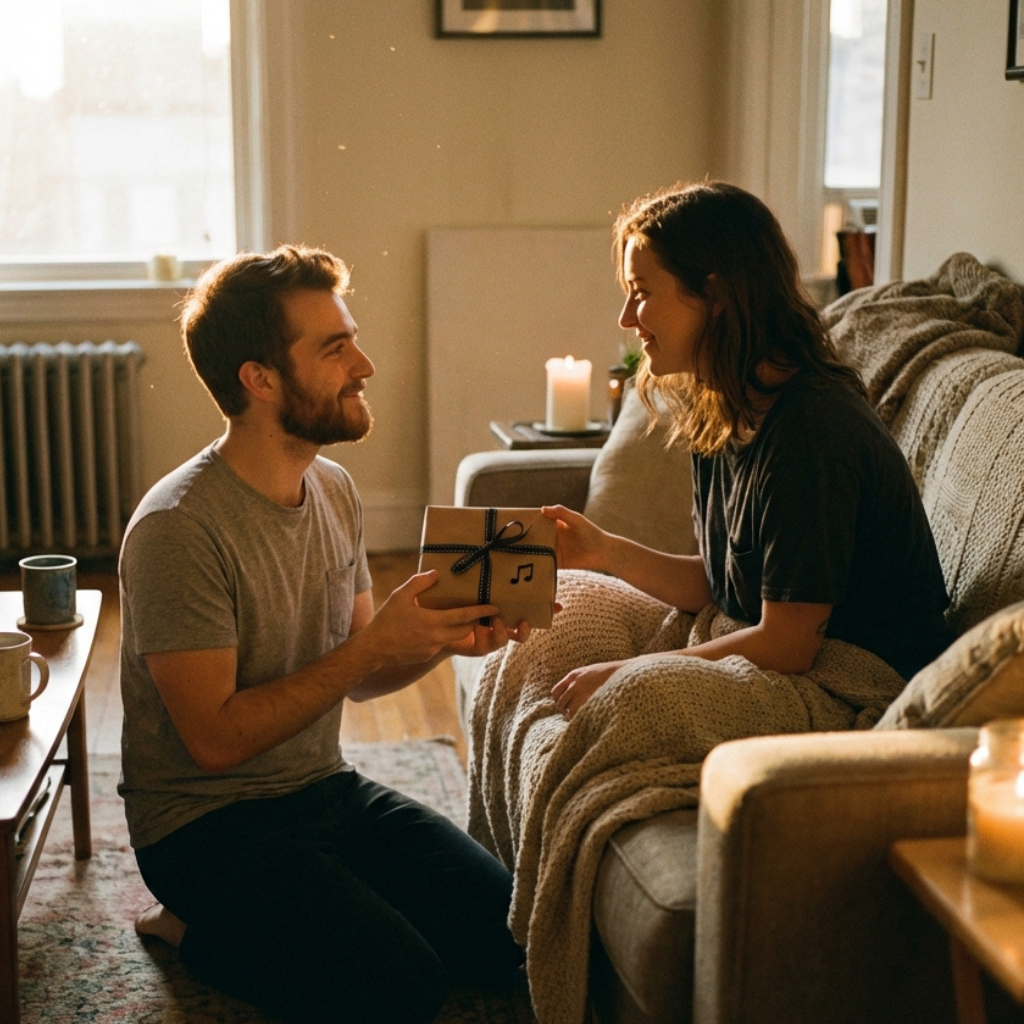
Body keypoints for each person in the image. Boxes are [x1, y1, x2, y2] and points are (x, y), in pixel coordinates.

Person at [118, 245, 528, 1024]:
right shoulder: (178, 528)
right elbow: (214, 741)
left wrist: (438, 638)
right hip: (206, 827)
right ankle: (190, 929)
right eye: (335, 348)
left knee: (509, 935)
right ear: (260, 378)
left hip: (321, 791)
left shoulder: (332, 489)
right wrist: (371, 649)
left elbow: (361, 671)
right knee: (400, 987)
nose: (364, 364)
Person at [542, 181, 951, 718]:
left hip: (850, 677)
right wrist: (605, 553)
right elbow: (723, 587)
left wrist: (627, 674)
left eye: (641, 291)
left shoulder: (810, 432)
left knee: (621, 703)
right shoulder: (727, 407)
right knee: (550, 630)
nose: (626, 317)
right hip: (775, 646)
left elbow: (787, 645)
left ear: (716, 297)